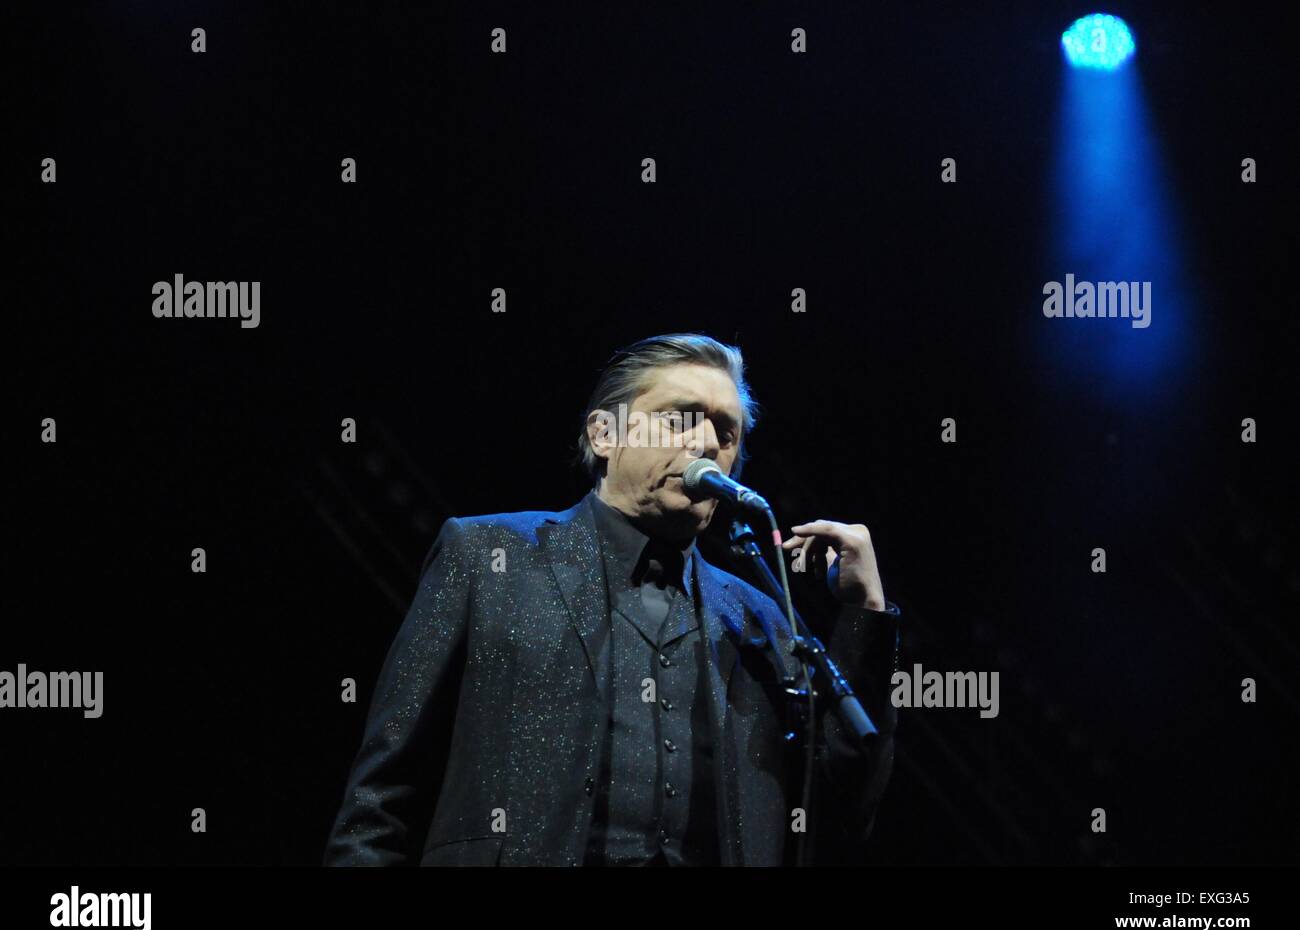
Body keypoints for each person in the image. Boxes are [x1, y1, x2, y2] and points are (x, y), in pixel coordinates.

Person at [323, 332, 900, 866]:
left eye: (726, 434)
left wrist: (864, 615)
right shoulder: (485, 556)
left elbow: (842, 813)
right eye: (678, 419)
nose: (705, 444)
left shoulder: (760, 618)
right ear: (605, 434)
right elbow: (381, 798)